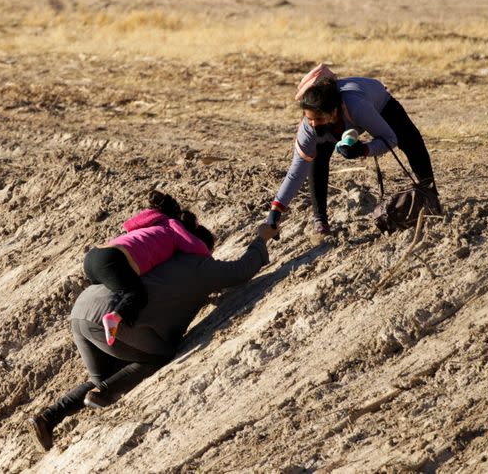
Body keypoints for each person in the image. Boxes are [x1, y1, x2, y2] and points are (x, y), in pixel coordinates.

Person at [27, 223, 279, 451]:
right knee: (160, 354)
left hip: (82, 309)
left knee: (102, 375)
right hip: (111, 314)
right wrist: (261, 239)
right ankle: (103, 393)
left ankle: (48, 418)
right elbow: (241, 271)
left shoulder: (157, 256)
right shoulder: (199, 264)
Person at [266, 64, 441, 235]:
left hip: (379, 103)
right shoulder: (309, 128)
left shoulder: (357, 106)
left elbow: (390, 139)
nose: (312, 124)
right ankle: (320, 221)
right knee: (317, 159)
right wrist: (276, 209)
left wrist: (363, 149)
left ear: (333, 112)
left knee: (412, 142)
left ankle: (431, 198)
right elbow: (296, 172)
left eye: (318, 118)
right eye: (309, 118)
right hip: (338, 124)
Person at [84, 190, 212, 346]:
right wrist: (209, 259)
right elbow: (195, 246)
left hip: (93, 257)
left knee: (110, 292)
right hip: (112, 260)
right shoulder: (173, 225)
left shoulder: (152, 224)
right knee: (136, 295)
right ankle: (113, 318)